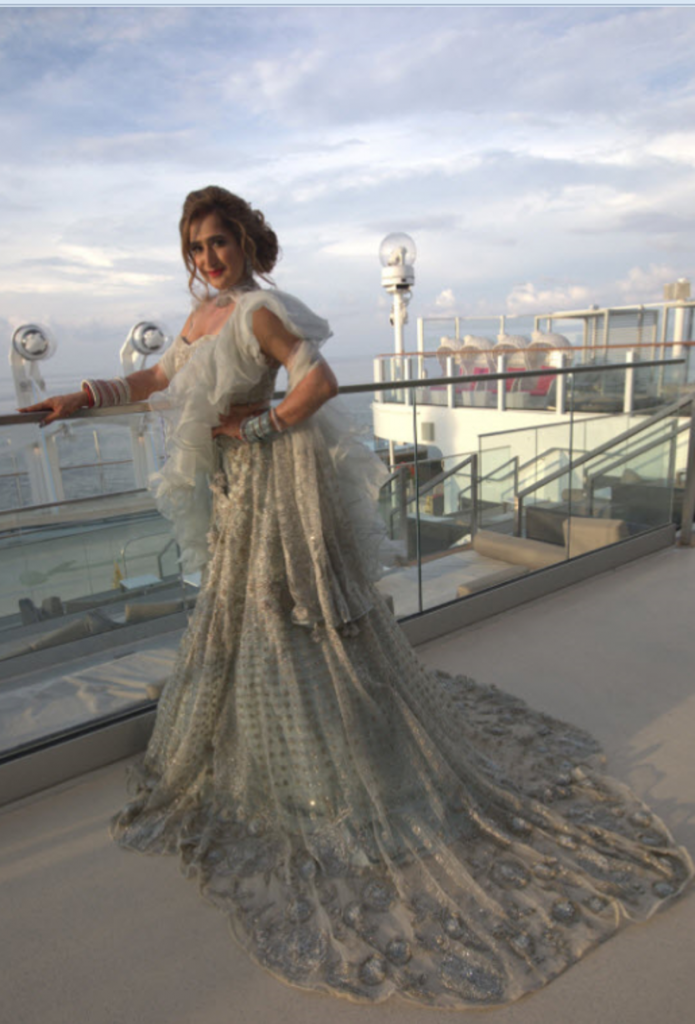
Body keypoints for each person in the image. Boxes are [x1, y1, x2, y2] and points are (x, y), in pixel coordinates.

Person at [19, 186, 693, 1009]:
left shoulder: (261, 310)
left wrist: (258, 430)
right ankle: (283, 746)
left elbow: (320, 381)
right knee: (245, 615)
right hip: (234, 490)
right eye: (195, 247)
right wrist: (80, 398)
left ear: (245, 243)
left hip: (271, 483)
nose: (207, 259)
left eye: (219, 243)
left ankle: (333, 768)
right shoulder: (200, 318)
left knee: (286, 613)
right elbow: (154, 377)